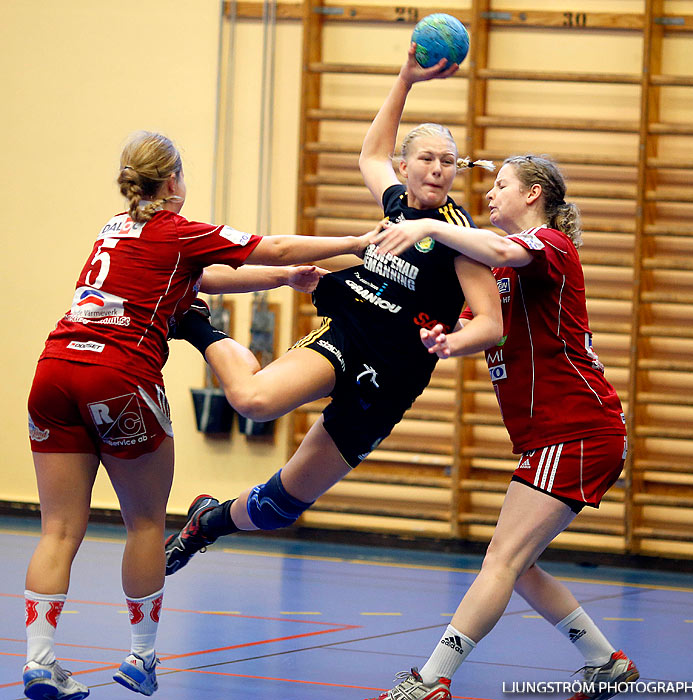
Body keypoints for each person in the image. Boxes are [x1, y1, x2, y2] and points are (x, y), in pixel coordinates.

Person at [23, 130, 376, 700]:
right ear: (173, 181)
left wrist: (284, 279)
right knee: (144, 523)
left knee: (59, 529)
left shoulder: (113, 230)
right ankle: (140, 659)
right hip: (118, 375)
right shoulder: (180, 231)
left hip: (55, 369)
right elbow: (277, 246)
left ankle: (40, 662)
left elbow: (204, 276)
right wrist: (361, 241)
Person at [162, 48, 502, 577]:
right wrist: (406, 77)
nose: (438, 169)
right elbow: (370, 155)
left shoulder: (460, 239)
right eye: (427, 158)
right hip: (345, 338)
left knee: (280, 508)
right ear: (406, 167)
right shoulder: (394, 206)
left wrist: (452, 342)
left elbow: (491, 323)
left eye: (448, 161)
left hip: (389, 384)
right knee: (254, 400)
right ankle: (193, 322)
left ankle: (206, 523)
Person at [365, 154, 638, 700]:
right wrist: (440, 337)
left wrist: (428, 223)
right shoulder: (508, 274)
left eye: (502, 185)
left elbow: (494, 248)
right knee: (522, 564)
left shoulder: (548, 247)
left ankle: (431, 678)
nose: (490, 195)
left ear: (534, 194)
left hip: (577, 428)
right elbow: (483, 329)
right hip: (556, 434)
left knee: (501, 560)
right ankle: (604, 661)